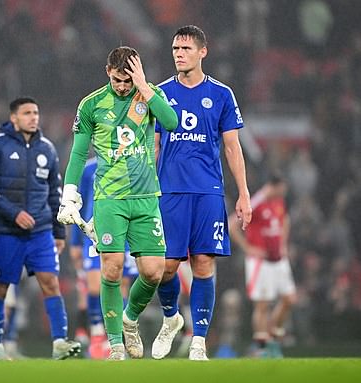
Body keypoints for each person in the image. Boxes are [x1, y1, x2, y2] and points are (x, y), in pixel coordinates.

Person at [58, 46, 178, 360]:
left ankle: (129, 320)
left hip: (145, 198)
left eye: (128, 80)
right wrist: (70, 193)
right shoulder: (92, 105)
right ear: (107, 72)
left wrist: (144, 86)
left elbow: (172, 122)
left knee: (154, 272)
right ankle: (114, 346)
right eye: (117, 79)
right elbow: (78, 154)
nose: (122, 85)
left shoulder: (148, 95)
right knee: (110, 272)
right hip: (109, 199)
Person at [153, 25, 252, 361]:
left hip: (208, 191)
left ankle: (199, 341)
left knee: (204, 263)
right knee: (165, 267)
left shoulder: (222, 94)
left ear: (202, 52)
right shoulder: (160, 93)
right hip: (169, 192)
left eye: (185, 48)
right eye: (175, 49)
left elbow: (232, 147)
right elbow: (152, 146)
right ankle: (171, 318)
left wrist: (243, 193)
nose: (179, 54)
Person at [0, 97, 80, 360]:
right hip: (5, 232)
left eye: (36, 112)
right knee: (0, 288)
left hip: (40, 232)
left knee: (50, 283)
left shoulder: (47, 148)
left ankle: (59, 343)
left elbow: (55, 195)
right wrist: (14, 214)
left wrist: (58, 232)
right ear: (14, 117)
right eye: (27, 113)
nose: (34, 117)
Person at [69, 156, 139, 359]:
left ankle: (120, 337)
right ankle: (97, 333)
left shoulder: (132, 165)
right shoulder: (89, 168)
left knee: (123, 285)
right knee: (93, 285)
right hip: (94, 232)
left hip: (125, 233)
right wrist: (75, 240)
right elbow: (79, 203)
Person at [228, 174, 296, 358]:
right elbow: (233, 224)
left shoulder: (278, 201)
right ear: (273, 186)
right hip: (260, 262)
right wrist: (249, 248)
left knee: (289, 298)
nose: (284, 193)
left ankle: (273, 335)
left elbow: (285, 220)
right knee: (263, 305)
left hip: (278, 258)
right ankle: (262, 347)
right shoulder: (257, 201)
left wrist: (283, 244)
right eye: (282, 189)